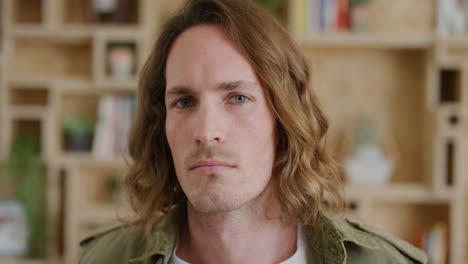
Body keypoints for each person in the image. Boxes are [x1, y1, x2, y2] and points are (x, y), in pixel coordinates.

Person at [79, 0, 427, 263]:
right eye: (184, 102)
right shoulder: (103, 258)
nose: (206, 131)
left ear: (285, 118)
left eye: (238, 97)